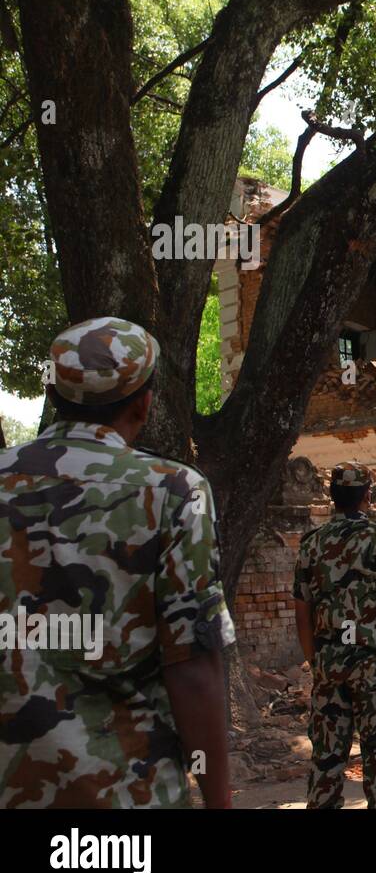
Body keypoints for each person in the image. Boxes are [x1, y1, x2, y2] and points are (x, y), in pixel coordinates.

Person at [0, 317, 235, 808]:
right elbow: (193, 665)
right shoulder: (172, 490)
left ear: (57, 393)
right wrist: (218, 798)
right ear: (144, 403)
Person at [294, 462, 376, 809]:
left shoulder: (312, 545)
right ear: (367, 496)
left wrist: (313, 659)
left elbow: (302, 610)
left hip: (331, 663)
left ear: (332, 497)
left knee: (327, 758)